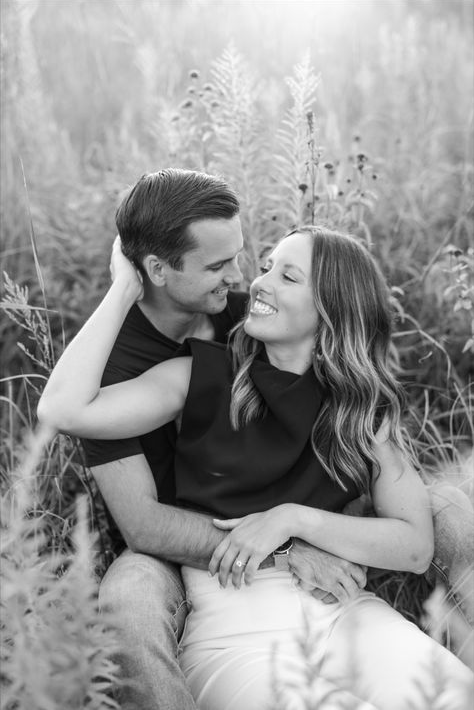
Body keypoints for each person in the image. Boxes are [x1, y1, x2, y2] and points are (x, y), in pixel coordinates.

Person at [38, 226, 473, 709]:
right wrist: (123, 285)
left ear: (332, 310)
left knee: (453, 695)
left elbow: (414, 548)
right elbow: (62, 412)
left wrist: (293, 518)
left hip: (344, 615)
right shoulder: (199, 375)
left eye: (287, 276)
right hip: (234, 635)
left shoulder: (360, 408)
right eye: (266, 267)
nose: (259, 283)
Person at [78, 168, 370, 710]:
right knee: (127, 604)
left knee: (448, 510)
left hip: (297, 515)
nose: (238, 277)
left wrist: (316, 524)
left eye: (239, 257)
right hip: (174, 547)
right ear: (157, 270)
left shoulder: (246, 316)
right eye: (217, 265)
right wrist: (283, 545)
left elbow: (341, 370)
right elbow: (143, 525)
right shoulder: (107, 369)